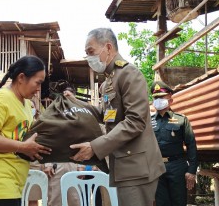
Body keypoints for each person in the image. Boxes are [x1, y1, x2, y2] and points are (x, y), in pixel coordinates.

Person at [68, 28, 165, 206]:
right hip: (126, 165)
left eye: (91, 52)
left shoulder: (129, 74)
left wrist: (95, 147)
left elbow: (135, 121)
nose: (89, 58)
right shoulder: (108, 81)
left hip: (137, 166)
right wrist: (76, 103)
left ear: (108, 47)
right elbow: (106, 115)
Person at [0, 56, 51, 206]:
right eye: (37, 82)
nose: (39, 88)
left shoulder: (27, 104)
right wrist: (22, 147)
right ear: (21, 77)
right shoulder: (2, 99)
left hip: (13, 183)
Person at [150, 81, 198, 206]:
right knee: (161, 202)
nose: (158, 100)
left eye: (162, 97)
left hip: (177, 166)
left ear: (171, 100)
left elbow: (191, 145)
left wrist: (192, 170)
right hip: (156, 167)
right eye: (156, 98)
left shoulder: (181, 119)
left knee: (179, 202)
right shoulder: (148, 122)